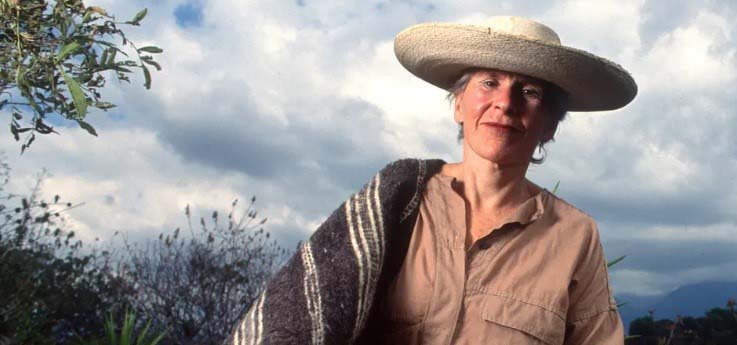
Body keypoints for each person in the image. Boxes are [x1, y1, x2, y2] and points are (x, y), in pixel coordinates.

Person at [225, 16, 637, 345]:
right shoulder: (397, 202)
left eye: (529, 91)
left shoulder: (575, 236)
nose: (504, 104)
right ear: (459, 104)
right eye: (489, 83)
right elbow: (301, 318)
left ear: (549, 125)